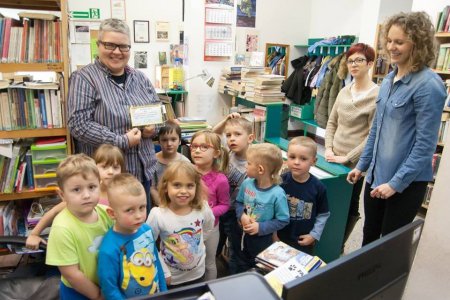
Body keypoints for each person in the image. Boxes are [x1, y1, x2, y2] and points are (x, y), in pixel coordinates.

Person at [347, 11, 447, 246]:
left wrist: (395, 184)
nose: (391, 47)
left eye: (399, 42)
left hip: (405, 184)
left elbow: (425, 146)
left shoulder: (429, 85)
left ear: (418, 43)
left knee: (389, 247)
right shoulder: (388, 80)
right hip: (375, 176)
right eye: (389, 41)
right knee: (369, 237)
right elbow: (376, 130)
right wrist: (362, 166)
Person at [67, 18, 161, 212]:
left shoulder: (140, 78)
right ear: (98, 45)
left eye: (123, 47)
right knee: (109, 236)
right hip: (105, 180)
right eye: (110, 45)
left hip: (143, 174)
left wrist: (153, 128)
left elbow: (157, 110)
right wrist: (121, 140)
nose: (117, 52)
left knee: (138, 232)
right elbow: (78, 124)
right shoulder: (84, 78)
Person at [324, 43, 379, 247]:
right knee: (330, 200)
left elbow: (373, 135)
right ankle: (328, 240)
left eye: (359, 60)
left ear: (370, 63)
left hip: (355, 163)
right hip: (332, 156)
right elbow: (332, 122)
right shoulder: (344, 91)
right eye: (350, 61)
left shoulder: (377, 95)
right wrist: (328, 148)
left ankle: (339, 245)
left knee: (349, 205)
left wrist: (348, 158)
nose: (353, 65)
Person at [26, 144, 125, 250]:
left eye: (115, 167)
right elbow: (53, 212)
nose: (110, 172)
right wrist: (34, 234)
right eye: (104, 167)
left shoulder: (122, 193)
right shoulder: (79, 198)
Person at [45, 154, 113, 299]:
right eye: (77, 190)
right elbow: (71, 274)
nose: (86, 195)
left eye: (92, 187)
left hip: (108, 284)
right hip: (77, 292)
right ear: (62, 195)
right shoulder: (62, 228)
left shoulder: (106, 213)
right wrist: (97, 295)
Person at [98, 173, 167, 299]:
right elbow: (109, 289)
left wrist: (164, 293)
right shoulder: (108, 249)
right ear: (112, 213)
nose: (139, 215)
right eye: (130, 210)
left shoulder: (146, 230)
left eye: (142, 207)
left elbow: (156, 264)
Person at [146, 160, 215, 287]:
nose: (184, 191)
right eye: (177, 185)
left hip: (198, 275)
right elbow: (148, 245)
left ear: (196, 187)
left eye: (189, 185)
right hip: (172, 279)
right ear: (166, 187)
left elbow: (208, 226)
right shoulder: (157, 215)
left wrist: (197, 241)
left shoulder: (203, 208)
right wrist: (164, 272)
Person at [235, 143, 289, 272]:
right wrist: (241, 215)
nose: (245, 166)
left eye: (248, 163)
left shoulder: (277, 194)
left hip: (263, 242)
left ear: (260, 169)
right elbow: (238, 203)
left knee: (260, 270)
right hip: (243, 237)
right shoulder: (247, 184)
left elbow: (283, 220)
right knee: (242, 265)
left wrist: (261, 227)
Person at [213, 113, 254, 274]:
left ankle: (234, 279)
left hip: (235, 213)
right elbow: (214, 133)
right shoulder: (228, 153)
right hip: (219, 208)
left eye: (237, 134)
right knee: (215, 244)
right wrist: (226, 119)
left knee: (235, 249)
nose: (232, 139)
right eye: (229, 135)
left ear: (250, 138)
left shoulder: (254, 161)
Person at [277, 137, 330, 255]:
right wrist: (273, 234)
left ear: (314, 161)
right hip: (280, 237)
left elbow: (323, 214)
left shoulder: (318, 187)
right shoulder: (280, 182)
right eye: (292, 157)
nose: (296, 162)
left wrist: (314, 235)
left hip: (303, 241)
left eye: (303, 158)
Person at [190, 130, 230, 280]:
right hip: (188, 228)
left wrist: (207, 213)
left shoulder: (220, 179)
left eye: (204, 147)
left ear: (216, 153)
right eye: (194, 146)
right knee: (190, 260)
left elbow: (225, 205)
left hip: (211, 228)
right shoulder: (187, 171)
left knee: (209, 263)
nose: (197, 150)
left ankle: (210, 291)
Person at [150, 120, 190, 206]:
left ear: (179, 141)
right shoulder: (152, 161)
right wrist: (163, 206)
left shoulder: (186, 162)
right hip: (160, 206)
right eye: (164, 140)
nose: (169, 143)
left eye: (173, 139)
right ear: (159, 141)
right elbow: (152, 188)